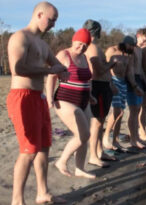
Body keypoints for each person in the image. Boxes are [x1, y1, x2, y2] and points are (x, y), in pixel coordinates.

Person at [6, 2, 68, 204]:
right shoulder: (20, 37)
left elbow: (55, 63)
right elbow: (18, 69)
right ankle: (17, 201)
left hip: (38, 98)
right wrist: (50, 71)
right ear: (39, 14)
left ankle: (42, 193)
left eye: (55, 21)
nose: (53, 25)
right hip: (22, 97)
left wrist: (62, 69)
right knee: (29, 151)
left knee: (44, 147)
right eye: (51, 20)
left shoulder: (42, 44)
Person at [46, 28, 96, 179]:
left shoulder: (85, 57)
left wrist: (91, 95)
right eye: (79, 44)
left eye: (85, 46)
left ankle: (79, 168)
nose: (81, 48)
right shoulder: (63, 54)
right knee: (84, 134)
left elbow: (88, 79)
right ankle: (61, 161)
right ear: (73, 40)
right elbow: (52, 77)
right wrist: (49, 98)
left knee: (85, 136)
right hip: (65, 99)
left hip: (84, 100)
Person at [83, 19, 117, 168]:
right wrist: (112, 63)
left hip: (103, 86)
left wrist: (110, 83)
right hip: (97, 87)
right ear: (97, 31)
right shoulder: (92, 48)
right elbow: (98, 70)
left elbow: (102, 70)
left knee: (100, 121)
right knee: (97, 123)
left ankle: (100, 151)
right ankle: (93, 156)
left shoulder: (95, 47)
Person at [102, 36, 143, 152]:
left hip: (123, 83)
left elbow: (129, 72)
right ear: (126, 43)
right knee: (117, 111)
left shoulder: (127, 55)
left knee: (121, 113)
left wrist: (135, 86)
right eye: (132, 46)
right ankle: (106, 137)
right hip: (113, 81)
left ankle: (115, 140)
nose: (133, 49)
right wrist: (110, 84)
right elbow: (105, 68)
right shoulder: (112, 51)